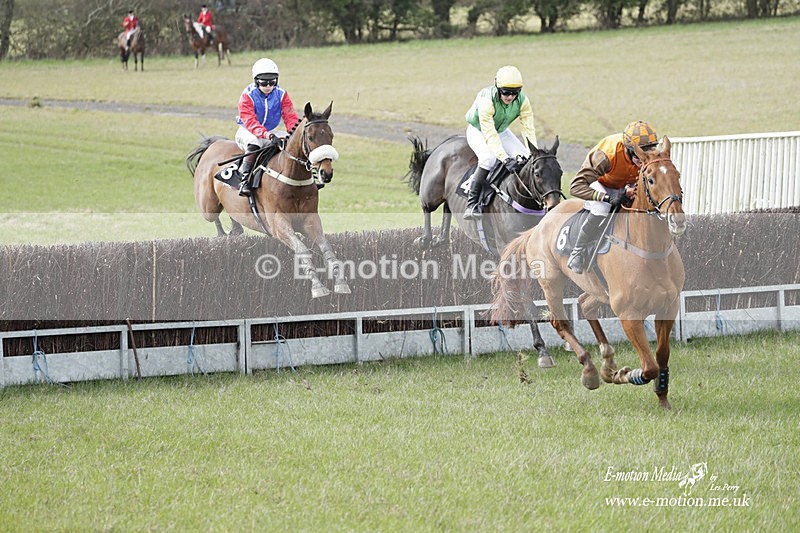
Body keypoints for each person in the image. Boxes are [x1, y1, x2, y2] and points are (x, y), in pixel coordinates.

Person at [566, 120, 659, 274]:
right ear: (629, 150)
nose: (644, 159)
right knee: (603, 208)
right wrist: (609, 197)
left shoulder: (647, 157)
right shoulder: (606, 155)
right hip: (599, 182)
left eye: (648, 153)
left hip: (623, 183)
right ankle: (577, 251)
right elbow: (575, 187)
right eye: (640, 154)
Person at [463, 65, 538, 221]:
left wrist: (534, 154)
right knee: (489, 159)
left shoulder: (523, 101)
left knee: (525, 157)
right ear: (497, 87)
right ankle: (472, 203)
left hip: (501, 131)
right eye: (506, 92)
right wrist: (504, 158)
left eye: (514, 93)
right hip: (478, 130)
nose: (510, 97)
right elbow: (490, 134)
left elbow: (528, 129)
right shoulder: (486, 100)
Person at [234, 58, 300, 197]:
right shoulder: (247, 96)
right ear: (256, 81)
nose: (269, 85)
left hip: (270, 132)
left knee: (293, 143)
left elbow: (290, 117)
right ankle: (244, 180)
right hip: (248, 131)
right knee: (255, 143)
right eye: (264, 82)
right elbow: (251, 122)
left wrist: (294, 134)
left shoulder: (281, 94)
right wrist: (268, 136)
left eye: (272, 81)